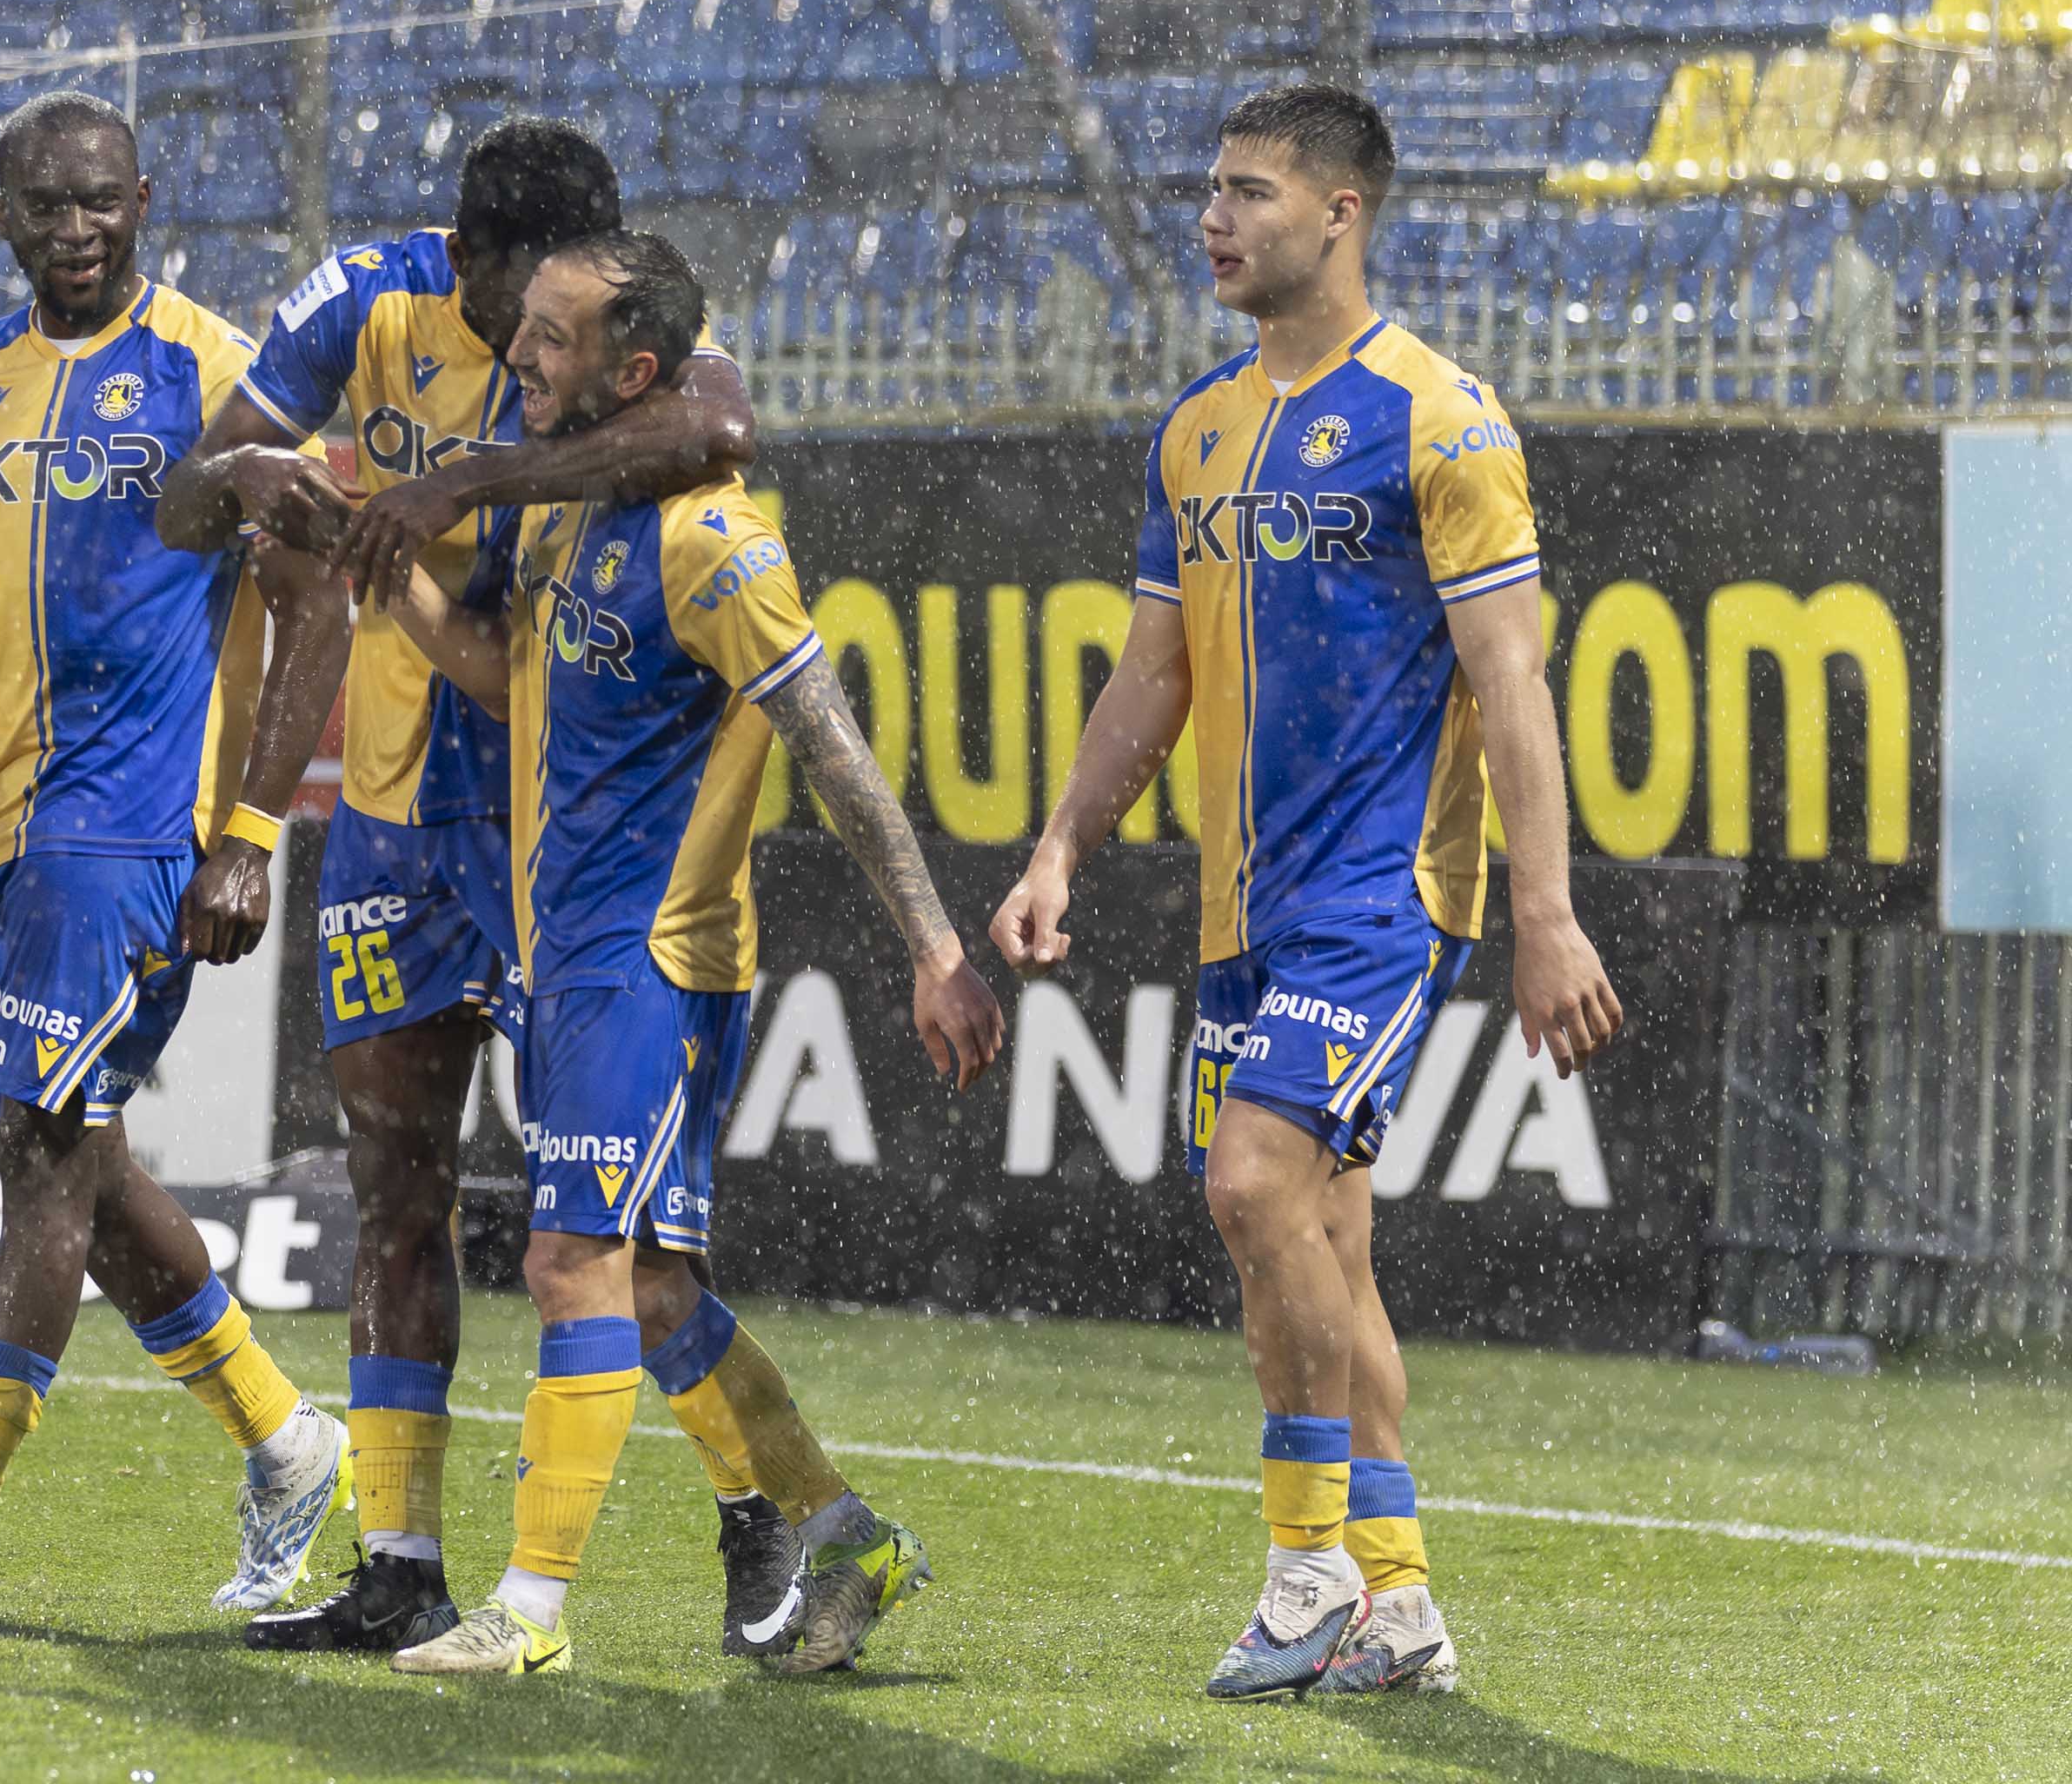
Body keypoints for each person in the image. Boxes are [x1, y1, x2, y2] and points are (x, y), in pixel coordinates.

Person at [989, 83, 1624, 1701]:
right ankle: (1399, 1608)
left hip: (1384, 894)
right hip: (1243, 910)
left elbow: (1512, 680)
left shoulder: (1441, 420)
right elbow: (1153, 673)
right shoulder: (1194, 427)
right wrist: (1062, 845)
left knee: (1253, 1186)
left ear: (1343, 212)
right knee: (1323, 1241)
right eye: (1211, 188)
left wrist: (1545, 913)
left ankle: (1306, 1570)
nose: (1214, 217)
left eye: (1250, 192)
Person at [156, 120, 776, 1655]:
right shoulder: (367, 303)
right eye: (527, 300)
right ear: (464, 258)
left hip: (555, 830)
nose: (547, 329)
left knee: (633, 1240)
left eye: (574, 306)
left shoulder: (608, 330)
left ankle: (760, 1512)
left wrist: (471, 480)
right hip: (391, 820)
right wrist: (252, 476)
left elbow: (719, 431)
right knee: (393, 1181)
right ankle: (399, 1564)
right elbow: (183, 505)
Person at [369, 229, 1005, 1678]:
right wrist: (391, 576)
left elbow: (832, 751)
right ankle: (845, 1532)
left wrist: (932, 945)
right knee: (653, 1292)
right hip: (569, 955)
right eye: (522, 329)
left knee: (568, 1263)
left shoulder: (716, 543)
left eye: (551, 336)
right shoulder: (564, 503)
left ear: (635, 369)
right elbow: (504, 674)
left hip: (656, 958)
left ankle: (528, 1612)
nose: (519, 356)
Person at [0, 90, 355, 1628]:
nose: (78, 228)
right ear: (2, 217)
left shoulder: (222, 378)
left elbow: (319, 605)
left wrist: (250, 835)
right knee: (78, 1162)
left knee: (41, 1164)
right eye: (47, 204)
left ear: (145, 202)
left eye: (102, 200)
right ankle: (286, 1439)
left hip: (134, 832)